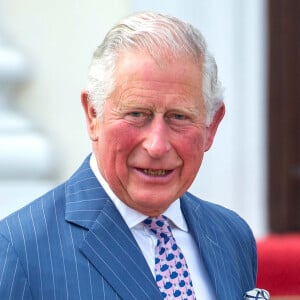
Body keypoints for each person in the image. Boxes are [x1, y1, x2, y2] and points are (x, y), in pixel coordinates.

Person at [0, 12, 257, 299]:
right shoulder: (19, 249)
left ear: (211, 126)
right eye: (137, 114)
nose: (157, 146)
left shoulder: (232, 236)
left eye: (179, 116)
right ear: (93, 115)